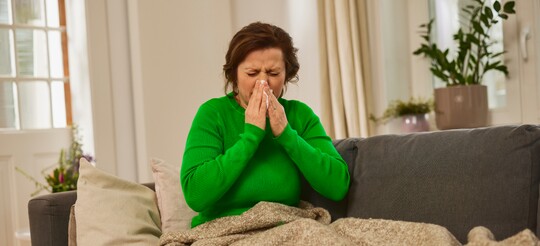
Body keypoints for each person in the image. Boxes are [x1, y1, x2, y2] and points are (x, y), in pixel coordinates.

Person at [181, 21, 350, 228]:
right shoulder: (212, 113)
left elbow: (337, 186)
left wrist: (286, 135)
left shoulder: (300, 115)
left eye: (273, 73)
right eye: (252, 73)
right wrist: (250, 137)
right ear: (234, 75)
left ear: (287, 75)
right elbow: (196, 195)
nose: (263, 83)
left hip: (286, 226)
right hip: (223, 230)